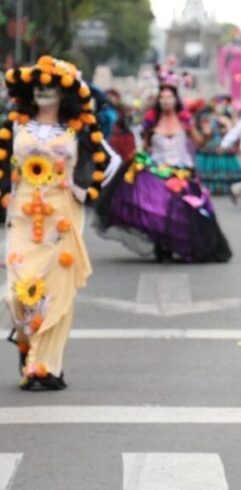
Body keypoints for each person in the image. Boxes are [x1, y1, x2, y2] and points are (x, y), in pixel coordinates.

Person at [1, 56, 119, 390]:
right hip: (22, 216)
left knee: (55, 293)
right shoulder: (15, 126)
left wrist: (83, 190)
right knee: (16, 293)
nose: (42, 89)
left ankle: (45, 365)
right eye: (38, 85)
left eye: (51, 85)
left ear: (64, 94)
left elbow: (110, 161)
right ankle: (27, 344)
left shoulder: (76, 131)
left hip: (60, 220)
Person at [95, 76, 232, 263]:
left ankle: (179, 246)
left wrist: (207, 135)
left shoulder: (186, 122)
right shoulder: (151, 122)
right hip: (157, 171)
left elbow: (198, 143)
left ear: (176, 100)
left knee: (184, 213)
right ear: (158, 101)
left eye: (169, 97)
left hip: (182, 172)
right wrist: (138, 157)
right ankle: (162, 246)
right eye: (163, 97)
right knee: (158, 208)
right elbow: (144, 148)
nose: (166, 100)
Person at [195, 96, 241, 197]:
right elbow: (205, 131)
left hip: (221, 143)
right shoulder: (207, 117)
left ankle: (222, 187)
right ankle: (209, 188)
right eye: (219, 104)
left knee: (221, 167)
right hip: (209, 144)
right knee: (210, 167)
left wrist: (228, 124)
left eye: (223, 105)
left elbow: (232, 130)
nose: (221, 106)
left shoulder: (225, 118)